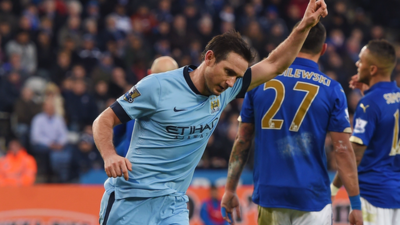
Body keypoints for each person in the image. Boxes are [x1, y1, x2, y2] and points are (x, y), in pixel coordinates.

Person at [94, 1, 328, 224]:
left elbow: (276, 63)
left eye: (236, 76)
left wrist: (305, 25)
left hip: (173, 204)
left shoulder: (227, 89)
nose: (230, 82)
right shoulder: (156, 87)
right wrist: (110, 155)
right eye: (228, 72)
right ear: (209, 58)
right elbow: (104, 119)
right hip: (131, 200)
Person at [220, 21, 363, 225]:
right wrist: (355, 204)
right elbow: (342, 150)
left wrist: (230, 189)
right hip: (311, 196)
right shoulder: (332, 88)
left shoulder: (259, 81)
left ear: (292, 40)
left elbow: (242, 139)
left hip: (270, 193)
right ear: (323, 49)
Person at [331, 40, 400, 225]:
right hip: (396, 195)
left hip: (373, 196)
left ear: (372, 70)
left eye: (361, 61)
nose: (357, 64)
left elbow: (354, 155)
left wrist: (334, 187)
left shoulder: (369, 103)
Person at [113, 56, 179, 157]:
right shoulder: (188, 105)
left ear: (149, 73)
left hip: (132, 169)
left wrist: (111, 155)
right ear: (179, 76)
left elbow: (115, 134)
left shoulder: (133, 99)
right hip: (169, 169)